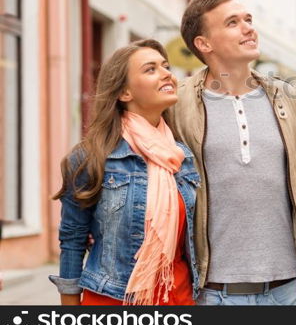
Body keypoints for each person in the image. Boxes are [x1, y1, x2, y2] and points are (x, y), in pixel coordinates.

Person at [174, 0, 296, 306]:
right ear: (203, 43)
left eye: (248, 19)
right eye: (233, 22)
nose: (248, 28)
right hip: (212, 293)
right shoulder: (177, 104)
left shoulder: (289, 99)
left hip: (286, 290)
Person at [49, 39, 200, 305]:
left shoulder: (182, 156)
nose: (167, 73)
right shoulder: (90, 157)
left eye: (166, 66)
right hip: (113, 300)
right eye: (150, 69)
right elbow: (72, 240)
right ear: (124, 93)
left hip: (178, 297)